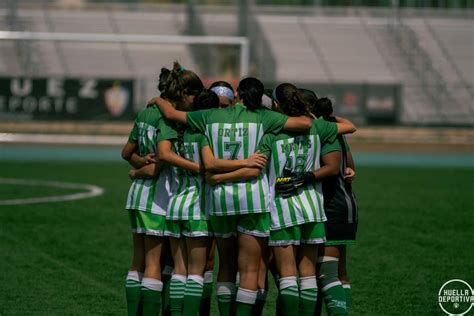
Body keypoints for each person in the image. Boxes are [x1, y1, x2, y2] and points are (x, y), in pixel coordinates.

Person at [148, 76, 313, 316]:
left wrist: (157, 100)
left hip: (219, 198)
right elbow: (305, 125)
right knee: (248, 268)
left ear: (238, 94)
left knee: (225, 264)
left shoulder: (210, 115)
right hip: (252, 198)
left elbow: (174, 116)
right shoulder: (263, 117)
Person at [259, 83, 356, 316]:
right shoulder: (319, 127)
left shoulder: (271, 129)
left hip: (283, 205)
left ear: (277, 105)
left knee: (287, 273)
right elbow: (349, 130)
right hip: (312, 206)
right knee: (310, 273)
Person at [126, 62, 204, 316]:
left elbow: (128, 152)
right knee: (154, 264)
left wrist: (138, 164)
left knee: (138, 261)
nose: (195, 102)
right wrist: (145, 167)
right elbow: (162, 159)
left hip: (138, 193)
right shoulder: (167, 116)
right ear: (183, 94)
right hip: (158, 196)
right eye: (194, 96)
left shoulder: (146, 112)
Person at [312, 97, 358, 316]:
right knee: (340, 271)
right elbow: (351, 167)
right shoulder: (337, 133)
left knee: (325, 272)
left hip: (331, 206)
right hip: (347, 205)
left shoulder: (320, 132)